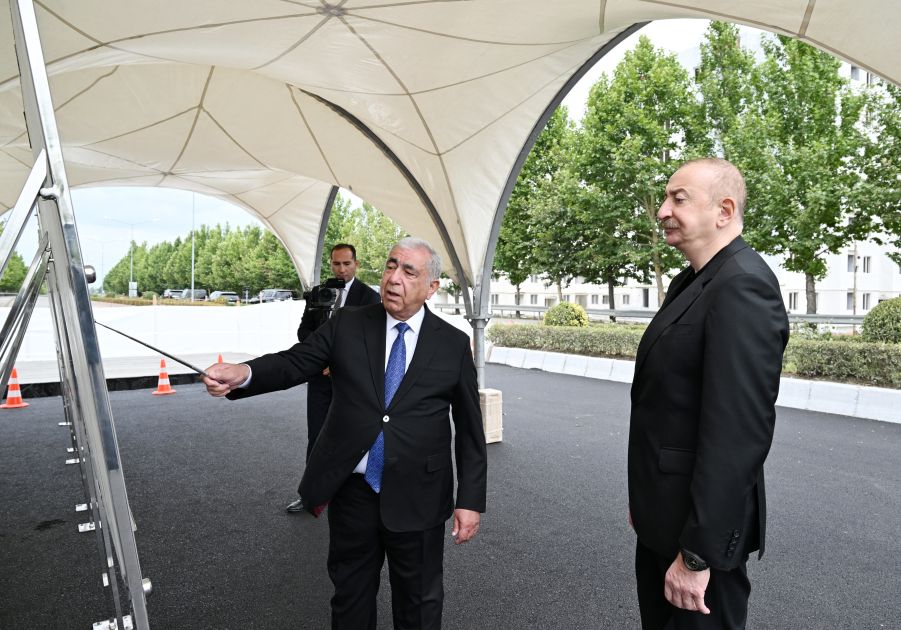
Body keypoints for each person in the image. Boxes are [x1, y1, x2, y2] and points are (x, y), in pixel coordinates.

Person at [203, 237, 487, 630]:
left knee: (420, 605)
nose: (394, 278)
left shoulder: (452, 345)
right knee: (350, 600)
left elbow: (470, 428)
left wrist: (469, 500)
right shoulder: (348, 324)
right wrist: (245, 373)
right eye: (391, 266)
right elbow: (295, 362)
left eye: (409, 272)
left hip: (420, 495)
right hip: (354, 495)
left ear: (431, 287)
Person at [628, 158, 789, 629]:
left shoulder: (743, 285)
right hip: (665, 520)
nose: (662, 210)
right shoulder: (693, 280)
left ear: (724, 211)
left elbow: (738, 436)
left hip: (696, 541)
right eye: (665, 198)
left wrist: (698, 555)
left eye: (678, 199)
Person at [287, 243, 380, 514]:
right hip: (320, 379)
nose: (341, 269)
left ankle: (351, 494)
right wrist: (323, 359)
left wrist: (339, 361)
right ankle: (311, 496)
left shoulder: (369, 296)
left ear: (356, 264)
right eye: (336, 264)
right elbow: (304, 332)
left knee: (353, 436)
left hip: (352, 382)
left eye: (346, 264)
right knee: (316, 436)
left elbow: (372, 338)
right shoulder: (319, 294)